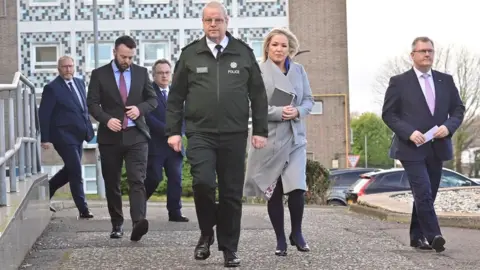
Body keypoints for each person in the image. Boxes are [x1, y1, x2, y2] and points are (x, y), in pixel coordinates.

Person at [165, 1, 268, 267]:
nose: (213, 25)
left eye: (218, 20)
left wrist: (259, 130)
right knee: (202, 183)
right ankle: (205, 233)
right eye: (208, 20)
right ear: (203, 23)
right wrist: (174, 132)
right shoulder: (190, 55)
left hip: (234, 135)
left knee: (232, 194)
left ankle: (229, 248)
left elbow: (258, 95)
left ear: (226, 21)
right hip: (200, 133)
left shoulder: (243, 53)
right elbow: (175, 97)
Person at [382, 36, 465, 253]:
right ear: (413, 55)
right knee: (423, 190)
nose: (427, 54)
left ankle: (416, 236)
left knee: (429, 192)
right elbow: (388, 114)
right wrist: (409, 132)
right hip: (410, 148)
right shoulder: (399, 82)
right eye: (422, 51)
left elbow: (458, 109)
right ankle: (434, 235)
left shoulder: (445, 80)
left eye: (430, 51)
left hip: (437, 147)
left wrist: (448, 127)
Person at [244, 28, 314, 256]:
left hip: (295, 138)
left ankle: (297, 232)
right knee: (274, 191)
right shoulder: (258, 71)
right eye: (275, 45)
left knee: (297, 188)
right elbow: (253, 105)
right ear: (267, 47)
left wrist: (298, 111)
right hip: (270, 138)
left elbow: (309, 100)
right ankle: (280, 240)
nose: (279, 49)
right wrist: (277, 112)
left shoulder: (300, 70)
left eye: (283, 45)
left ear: (290, 48)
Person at [86, 35, 158, 242]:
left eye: (130, 57)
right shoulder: (99, 75)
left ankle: (138, 223)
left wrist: (139, 109)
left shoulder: (142, 73)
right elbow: (92, 103)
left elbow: (152, 99)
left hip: (137, 136)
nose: (127, 61)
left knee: (137, 180)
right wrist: (106, 120)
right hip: (110, 137)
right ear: (115, 53)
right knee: (113, 183)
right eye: (123, 56)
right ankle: (117, 224)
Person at [38, 55, 95, 218]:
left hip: (79, 134)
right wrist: (45, 138)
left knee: (70, 169)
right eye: (65, 67)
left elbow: (83, 107)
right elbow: (44, 114)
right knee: (76, 171)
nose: (68, 69)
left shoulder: (79, 83)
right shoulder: (52, 88)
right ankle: (83, 210)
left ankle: (46, 192)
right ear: (59, 68)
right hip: (62, 135)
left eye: (70, 66)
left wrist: (88, 130)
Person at [144, 58, 189, 222]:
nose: (164, 76)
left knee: (176, 178)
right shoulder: (148, 92)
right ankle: (139, 205)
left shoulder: (177, 93)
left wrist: (179, 132)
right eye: (160, 73)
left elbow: (184, 116)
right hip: (156, 144)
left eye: (167, 72)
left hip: (175, 145)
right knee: (154, 177)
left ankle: (175, 212)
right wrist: (169, 131)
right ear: (154, 75)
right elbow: (147, 117)